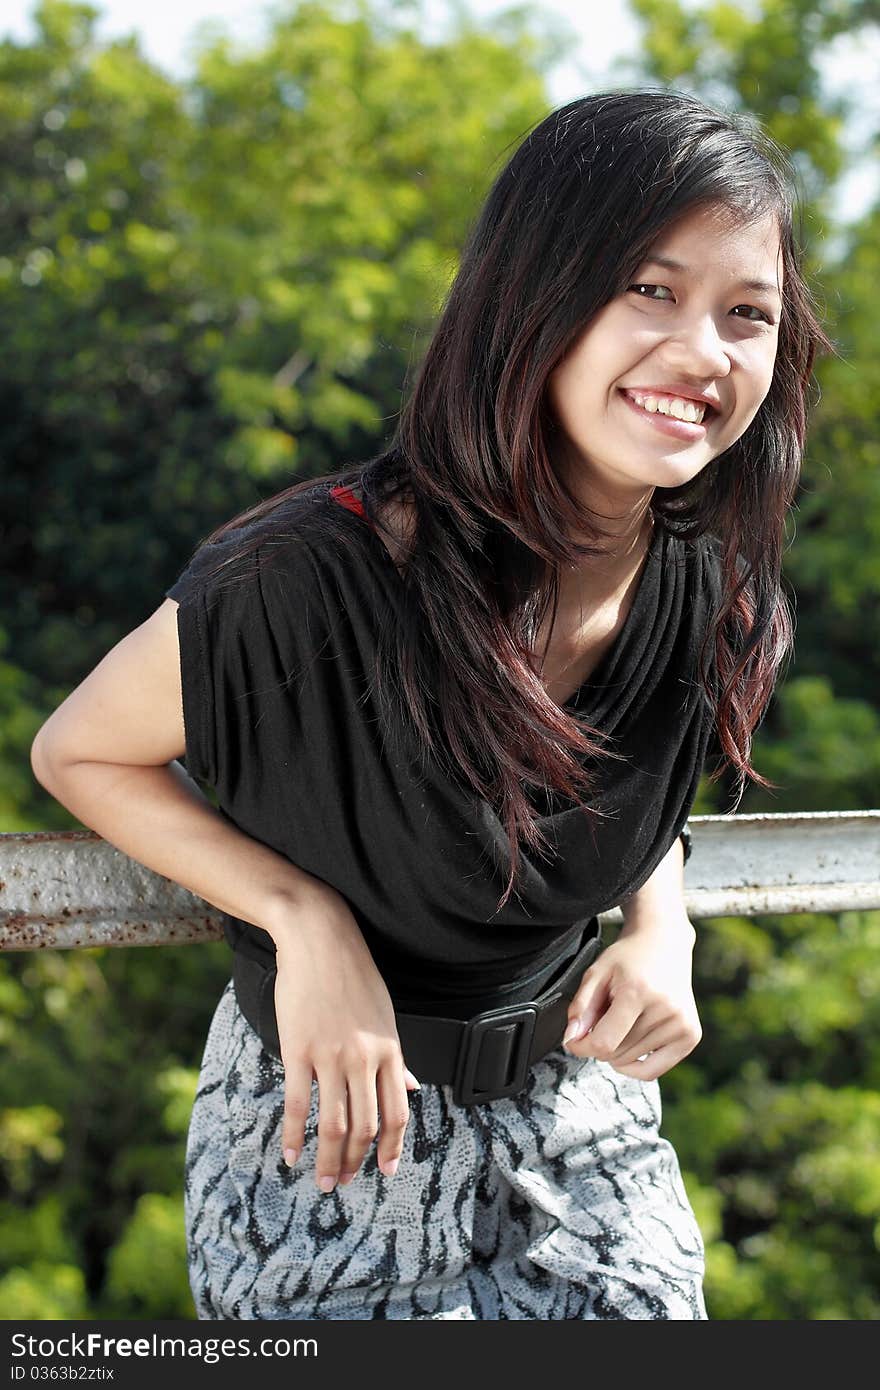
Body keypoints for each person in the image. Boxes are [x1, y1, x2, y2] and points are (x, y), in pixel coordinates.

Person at [29, 88, 829, 1321]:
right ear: (534, 297)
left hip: (586, 1120)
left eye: (747, 314)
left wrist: (657, 929)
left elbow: (634, 784)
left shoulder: (713, 595)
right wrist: (303, 921)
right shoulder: (311, 577)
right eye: (649, 291)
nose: (703, 353)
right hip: (333, 1130)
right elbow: (81, 751)